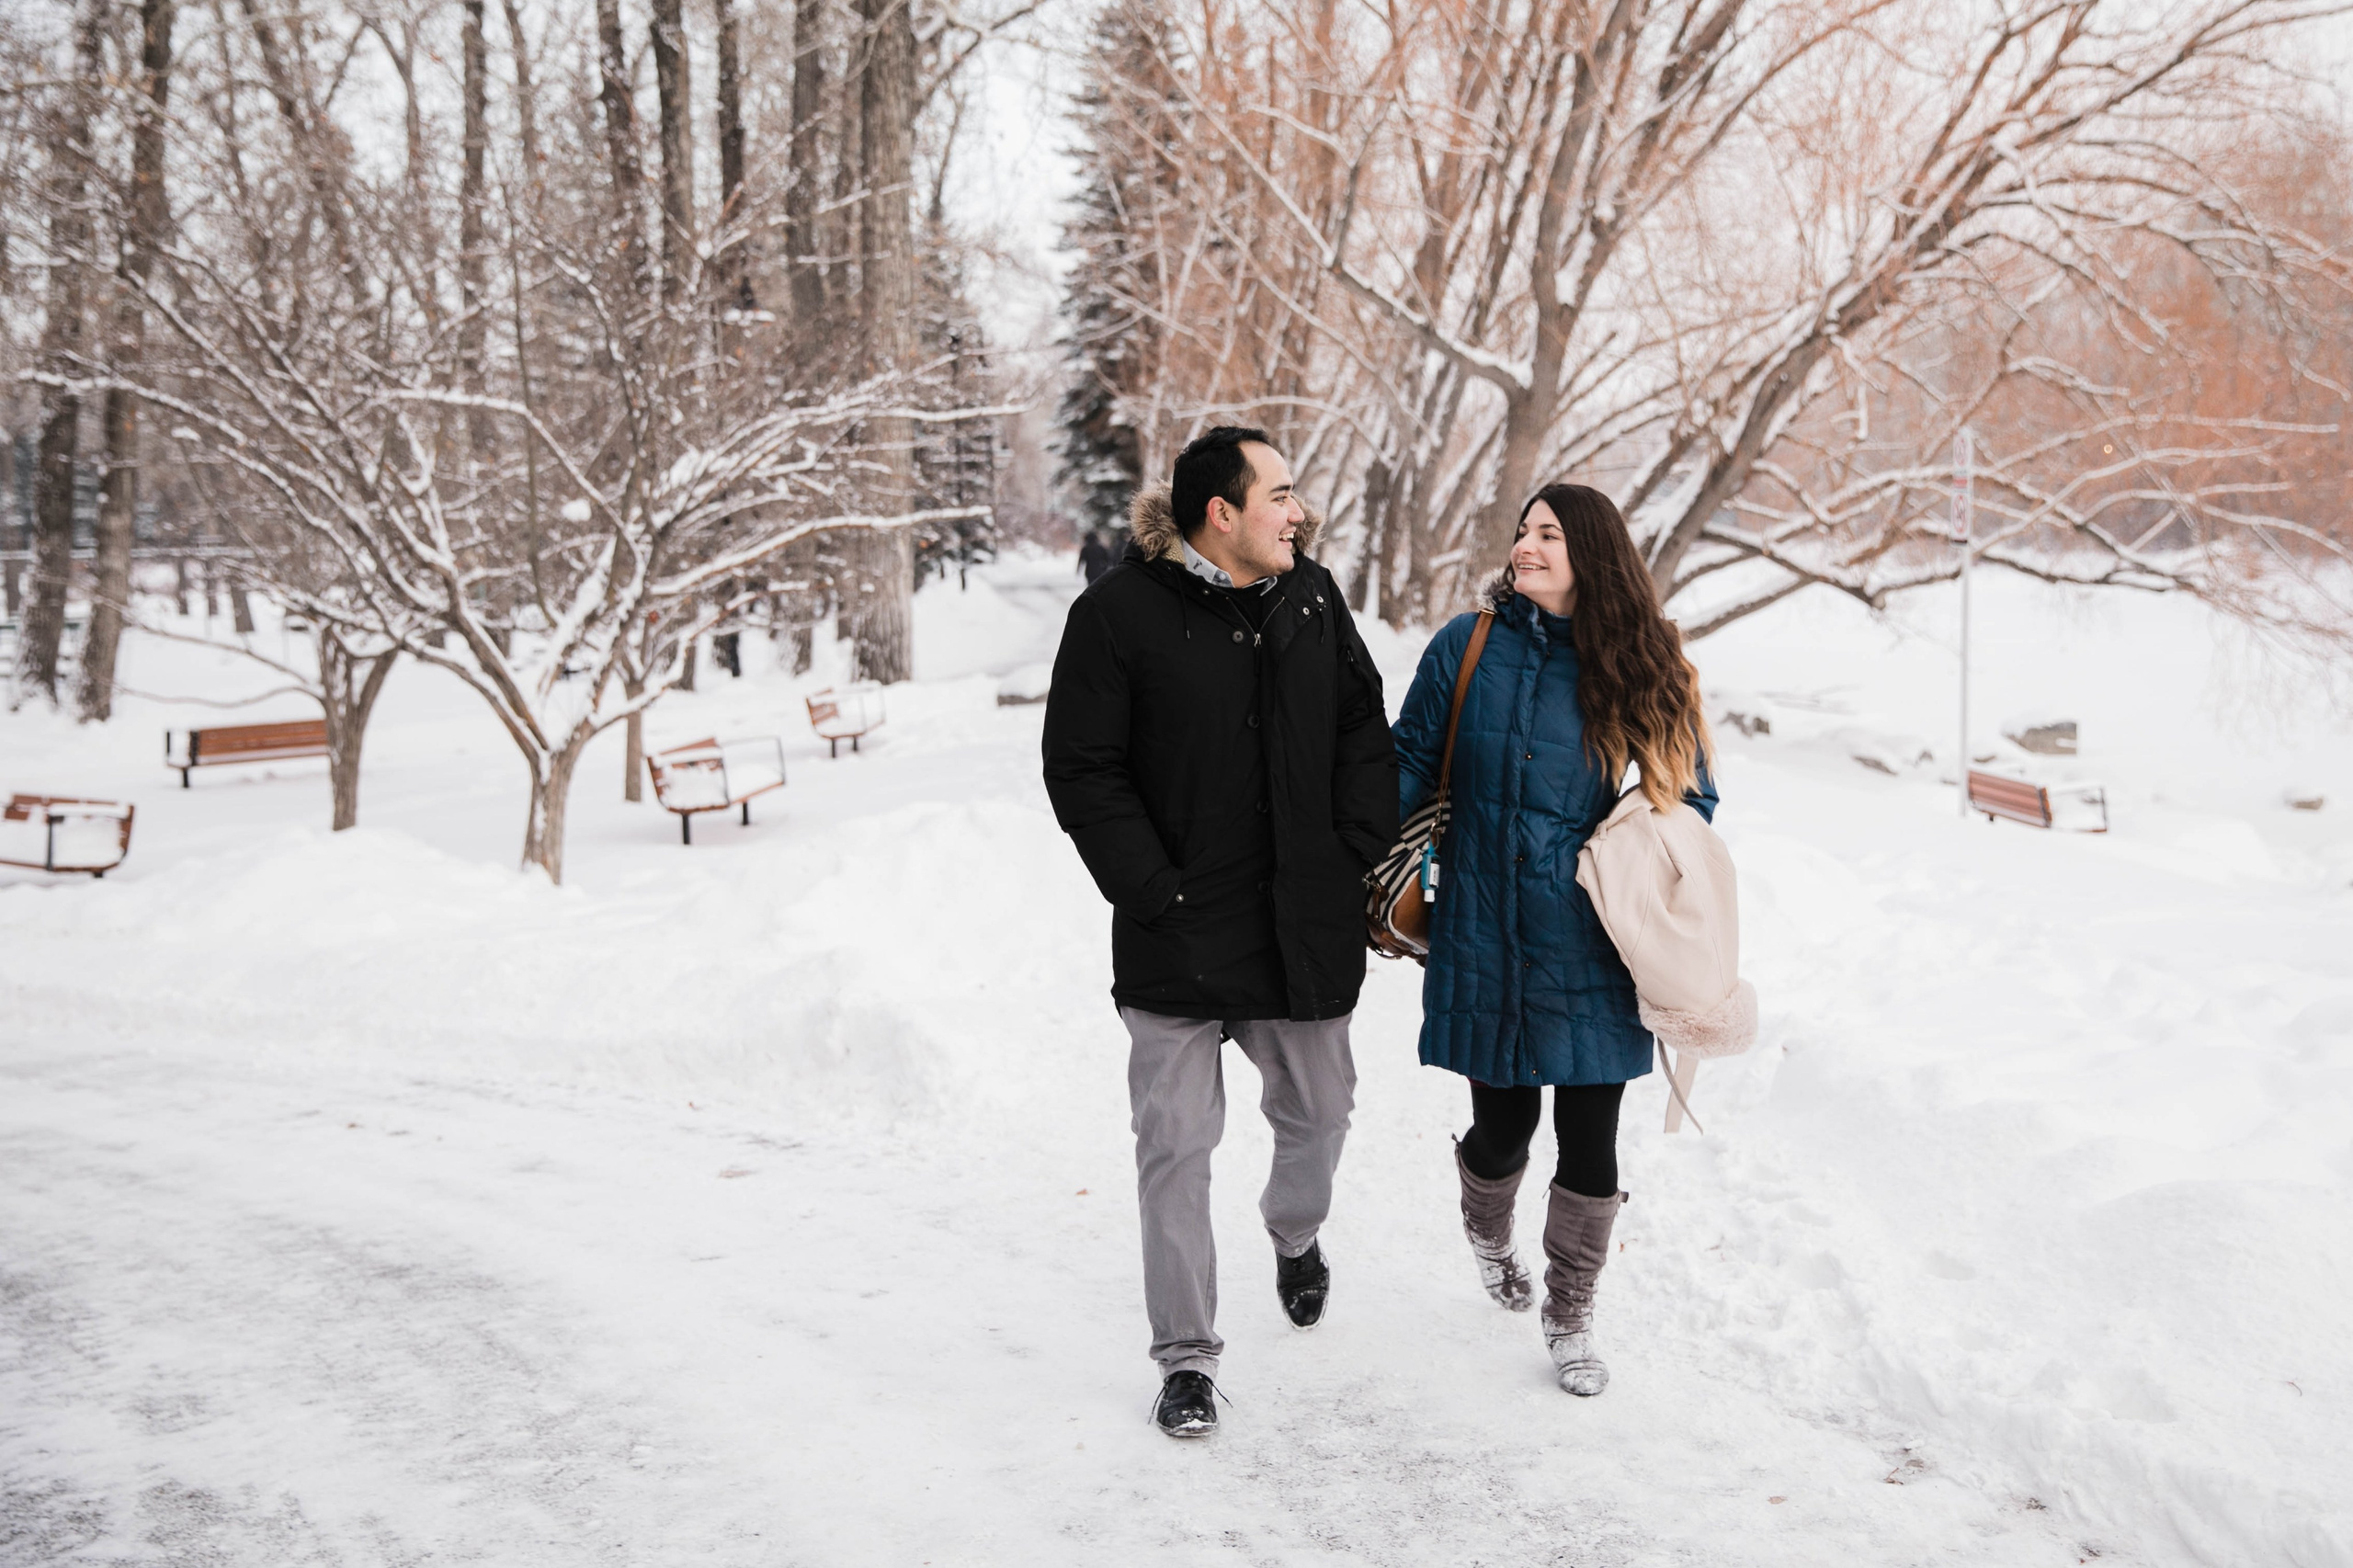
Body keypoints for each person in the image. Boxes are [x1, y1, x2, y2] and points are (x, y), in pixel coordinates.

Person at [1042, 426, 1397, 1438]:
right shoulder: (1116, 615)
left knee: (1322, 1113)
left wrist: (1353, 846)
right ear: (1221, 514)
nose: (1300, 511)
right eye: (1281, 494)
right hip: (1177, 938)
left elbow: (1360, 728)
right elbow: (1082, 767)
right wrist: (1153, 887)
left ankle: (1294, 1235)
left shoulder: (1312, 598)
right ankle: (1186, 1358)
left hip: (1299, 926)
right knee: (1174, 1148)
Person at [1392, 483, 1716, 1397]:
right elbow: (1412, 758)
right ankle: (1487, 1230)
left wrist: (1619, 846)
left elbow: (1690, 801)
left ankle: (1569, 1308)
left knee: (1589, 1134)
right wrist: (1345, 845)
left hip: (1591, 938)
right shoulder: (1468, 646)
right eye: (1521, 531)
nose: (1524, 546)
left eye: (1546, 533)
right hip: (1483, 928)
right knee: (1504, 1124)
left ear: (1592, 554)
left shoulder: (1649, 667)